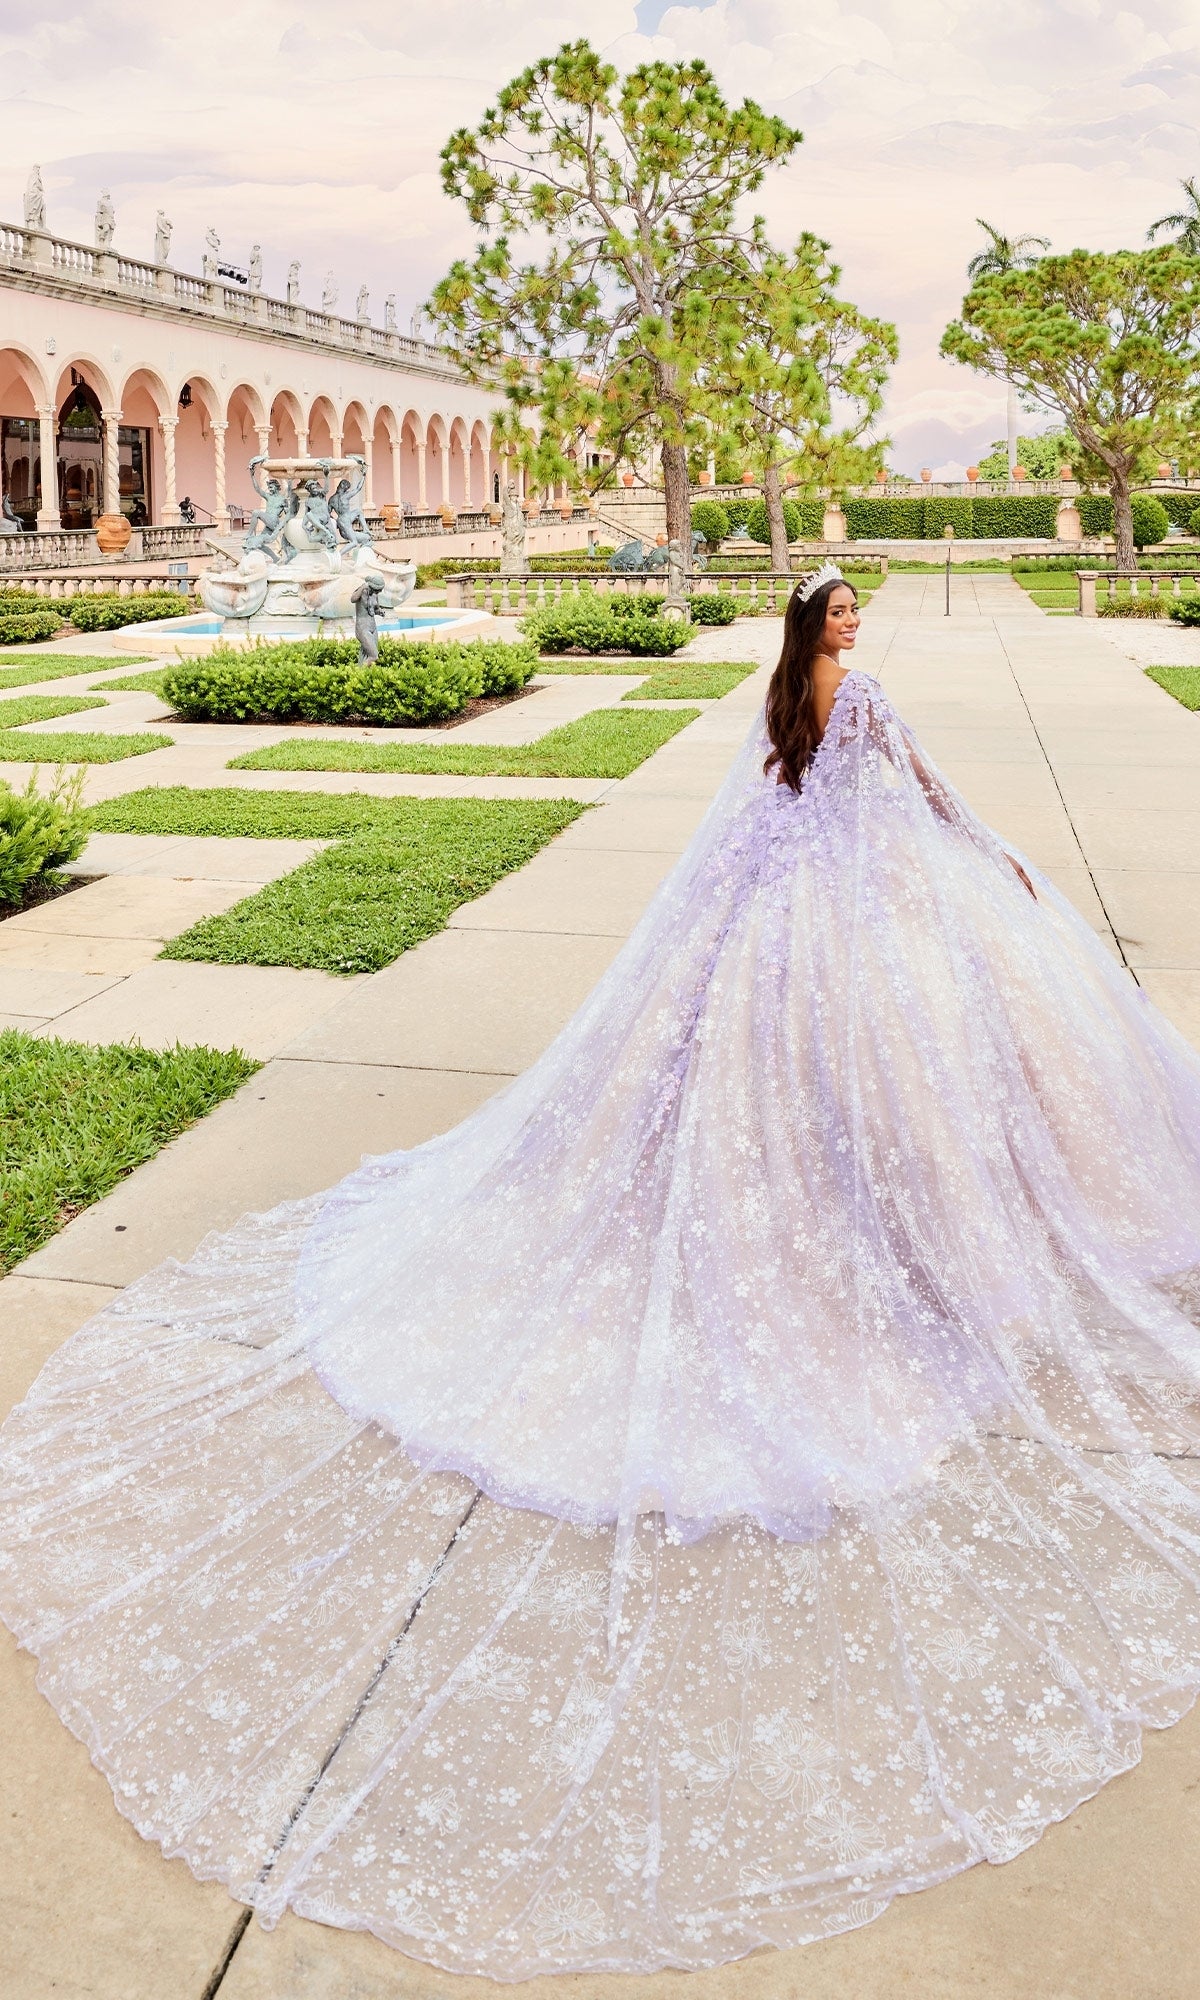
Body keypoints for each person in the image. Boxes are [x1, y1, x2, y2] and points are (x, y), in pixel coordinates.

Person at [3, 566, 1200, 1981]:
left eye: (853, 619)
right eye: (845, 617)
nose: (856, 632)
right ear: (823, 634)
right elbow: (928, 796)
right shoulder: (857, 702)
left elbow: (758, 826)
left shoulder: (778, 711)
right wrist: (993, 856)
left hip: (779, 919)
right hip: (857, 914)